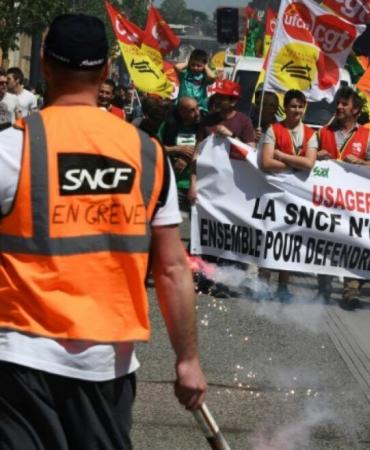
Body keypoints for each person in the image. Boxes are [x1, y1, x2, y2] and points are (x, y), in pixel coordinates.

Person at [0, 14, 206, 449]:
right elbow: (171, 268)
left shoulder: (10, 149)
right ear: (107, 69)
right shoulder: (148, 155)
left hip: (18, 361)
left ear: (44, 63)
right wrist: (187, 359)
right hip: (105, 366)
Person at [316, 87, 370, 309]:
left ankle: (351, 290)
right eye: (338, 104)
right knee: (325, 244)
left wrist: (361, 163)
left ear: (356, 110)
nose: (339, 107)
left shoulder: (366, 136)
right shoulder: (323, 132)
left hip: (354, 203)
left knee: (353, 245)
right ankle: (324, 288)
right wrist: (317, 156)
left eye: (344, 104)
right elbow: (307, 158)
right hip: (327, 200)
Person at [260, 89, 318, 301]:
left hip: (296, 195)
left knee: (290, 239)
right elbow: (266, 162)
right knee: (269, 234)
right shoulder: (273, 130)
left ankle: (283, 285)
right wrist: (295, 164)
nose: (297, 110)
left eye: (300, 106)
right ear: (286, 107)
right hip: (273, 190)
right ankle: (263, 281)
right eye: (293, 106)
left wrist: (283, 157)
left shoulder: (310, 134)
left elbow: (309, 163)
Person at [159, 96, 201, 248]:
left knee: (197, 226)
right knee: (168, 224)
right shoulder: (169, 125)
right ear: (181, 112)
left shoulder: (203, 126)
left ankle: (194, 256)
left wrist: (188, 159)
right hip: (174, 183)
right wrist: (176, 149)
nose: (197, 113)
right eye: (192, 110)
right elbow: (156, 147)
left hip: (196, 184)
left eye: (197, 108)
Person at [197, 79, 255, 146]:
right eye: (217, 97)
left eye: (222, 98)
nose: (217, 101)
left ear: (233, 102)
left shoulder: (244, 121)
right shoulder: (207, 120)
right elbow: (198, 148)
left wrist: (231, 136)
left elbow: (250, 150)